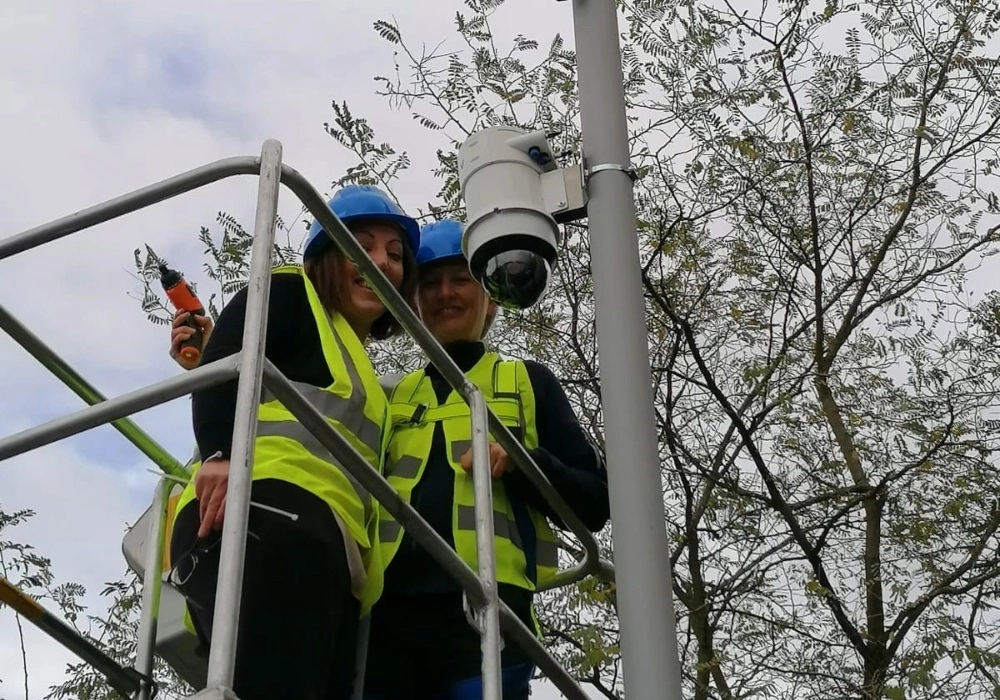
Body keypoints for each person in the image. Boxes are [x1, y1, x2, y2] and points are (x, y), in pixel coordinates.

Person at [167, 185, 421, 700]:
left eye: (394, 255)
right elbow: (228, 362)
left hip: (325, 551)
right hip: (260, 512)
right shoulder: (287, 287)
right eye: (362, 246)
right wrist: (217, 452)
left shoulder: (369, 376)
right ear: (324, 256)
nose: (380, 262)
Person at [363, 219, 611, 699]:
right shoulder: (387, 394)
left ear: (491, 296)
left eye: (460, 279)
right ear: (411, 301)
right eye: (428, 284)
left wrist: (521, 462)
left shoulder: (526, 381)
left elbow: (595, 503)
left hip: (490, 615)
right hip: (387, 618)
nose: (444, 294)